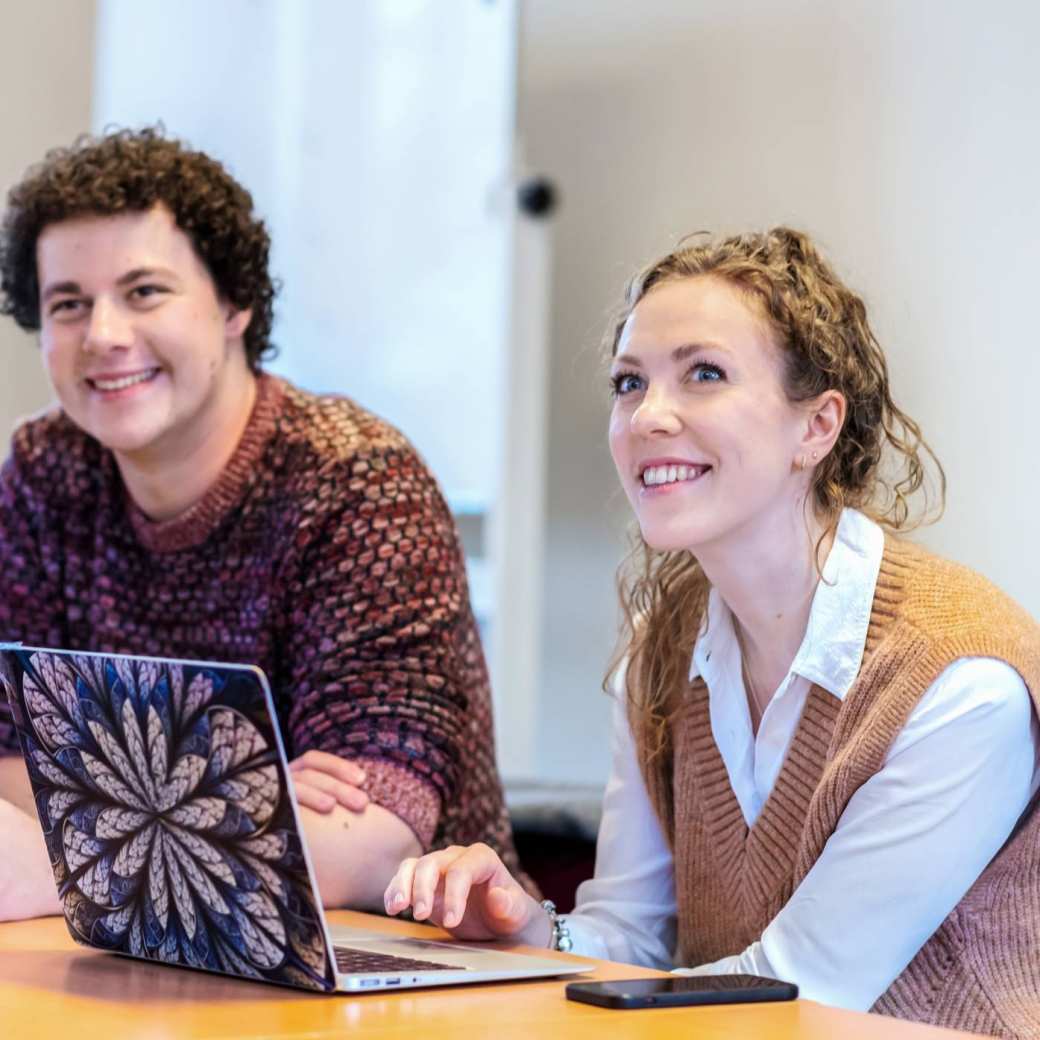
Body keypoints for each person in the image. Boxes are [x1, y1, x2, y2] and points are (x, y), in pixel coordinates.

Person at [384, 228, 1040, 1037]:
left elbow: (794, 994)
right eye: (630, 383)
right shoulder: (661, 654)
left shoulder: (959, 682)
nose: (649, 417)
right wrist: (531, 932)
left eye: (704, 374)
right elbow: (632, 937)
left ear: (817, 427)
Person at [0, 127, 521, 923]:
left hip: (388, 968)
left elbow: (371, 835)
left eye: (144, 292)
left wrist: (71, 863)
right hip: (135, 955)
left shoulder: (356, 483)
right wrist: (234, 785)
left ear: (234, 303)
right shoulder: (47, 472)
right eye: (68, 304)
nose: (102, 335)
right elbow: (11, 761)